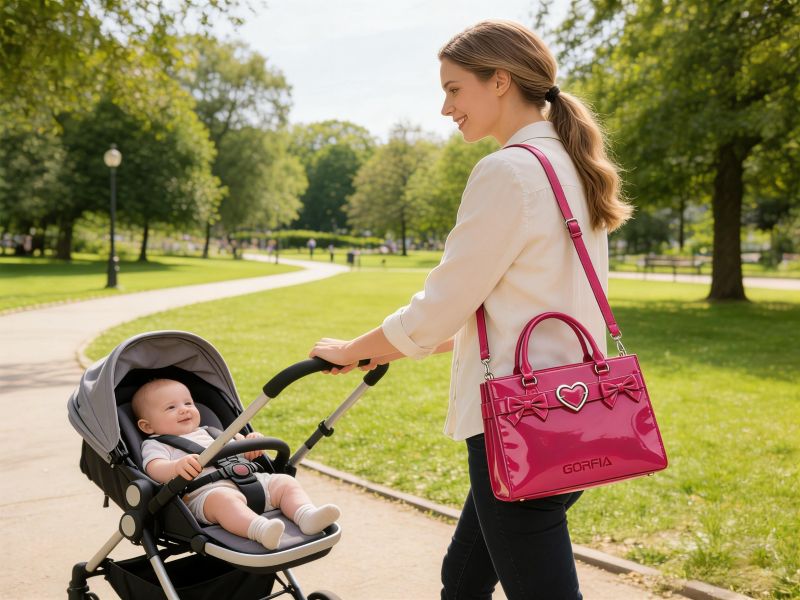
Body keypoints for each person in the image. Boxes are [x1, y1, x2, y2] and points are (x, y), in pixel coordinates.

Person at [309, 19, 632, 600]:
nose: (445, 107)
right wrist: (385, 351)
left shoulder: (508, 170)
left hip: (520, 421)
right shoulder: (570, 164)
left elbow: (441, 306)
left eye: (454, 89)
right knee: (462, 580)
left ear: (500, 80)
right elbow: (501, 305)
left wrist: (353, 349)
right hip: (575, 412)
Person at [132, 378, 340, 550]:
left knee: (285, 482)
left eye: (188, 403)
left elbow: (242, 449)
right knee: (224, 501)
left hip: (252, 480)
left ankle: (306, 516)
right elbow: (153, 468)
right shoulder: (156, 444)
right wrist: (176, 467)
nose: (184, 410)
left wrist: (252, 443)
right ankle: (261, 530)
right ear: (147, 426)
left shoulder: (213, 432)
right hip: (207, 494)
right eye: (171, 407)